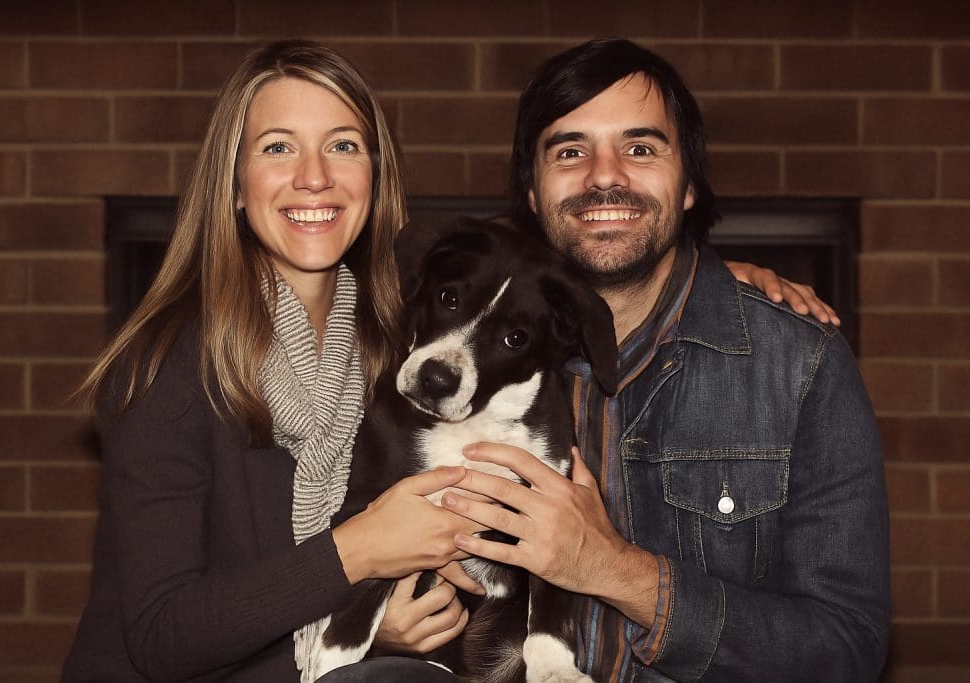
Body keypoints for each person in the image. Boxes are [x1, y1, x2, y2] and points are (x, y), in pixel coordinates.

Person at [62, 38, 842, 683]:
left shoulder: (389, 327)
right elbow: (161, 637)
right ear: (232, 184)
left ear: (376, 177)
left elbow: (526, 283)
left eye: (344, 146)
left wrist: (712, 279)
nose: (314, 177)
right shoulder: (171, 361)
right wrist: (365, 558)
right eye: (278, 148)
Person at [440, 38, 890, 682]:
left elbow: (846, 649)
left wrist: (611, 569)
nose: (604, 175)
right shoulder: (454, 353)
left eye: (641, 148)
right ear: (532, 195)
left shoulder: (799, 365)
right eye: (570, 151)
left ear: (688, 187)